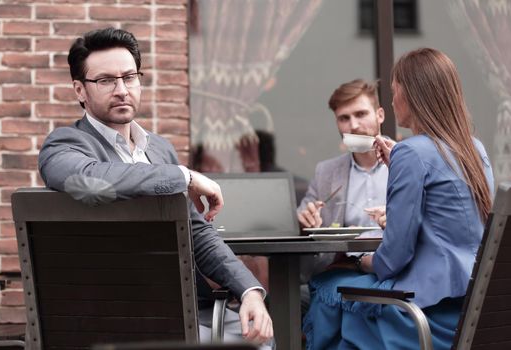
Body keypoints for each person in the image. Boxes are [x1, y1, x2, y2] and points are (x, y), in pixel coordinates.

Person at [38, 27, 273, 347]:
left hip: (182, 308)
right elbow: (91, 183)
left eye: (129, 77)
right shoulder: (64, 146)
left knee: (258, 338)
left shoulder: (159, 151)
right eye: (106, 80)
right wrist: (184, 176)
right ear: (80, 90)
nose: (121, 89)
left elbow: (197, 233)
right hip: (114, 314)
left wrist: (249, 291)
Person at [303, 47, 494, 349]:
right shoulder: (474, 148)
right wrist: (401, 165)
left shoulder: (412, 152)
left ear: (413, 95)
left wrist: (362, 262)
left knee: (327, 285)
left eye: (394, 92)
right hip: (475, 304)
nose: (392, 101)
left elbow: (393, 258)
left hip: (424, 311)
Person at [296, 79, 389, 311]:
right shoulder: (326, 172)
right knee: (285, 297)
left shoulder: (408, 161)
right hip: (343, 270)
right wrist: (306, 219)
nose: (353, 125)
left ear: (380, 115)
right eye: (344, 118)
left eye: (361, 114)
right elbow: (305, 211)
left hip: (393, 268)